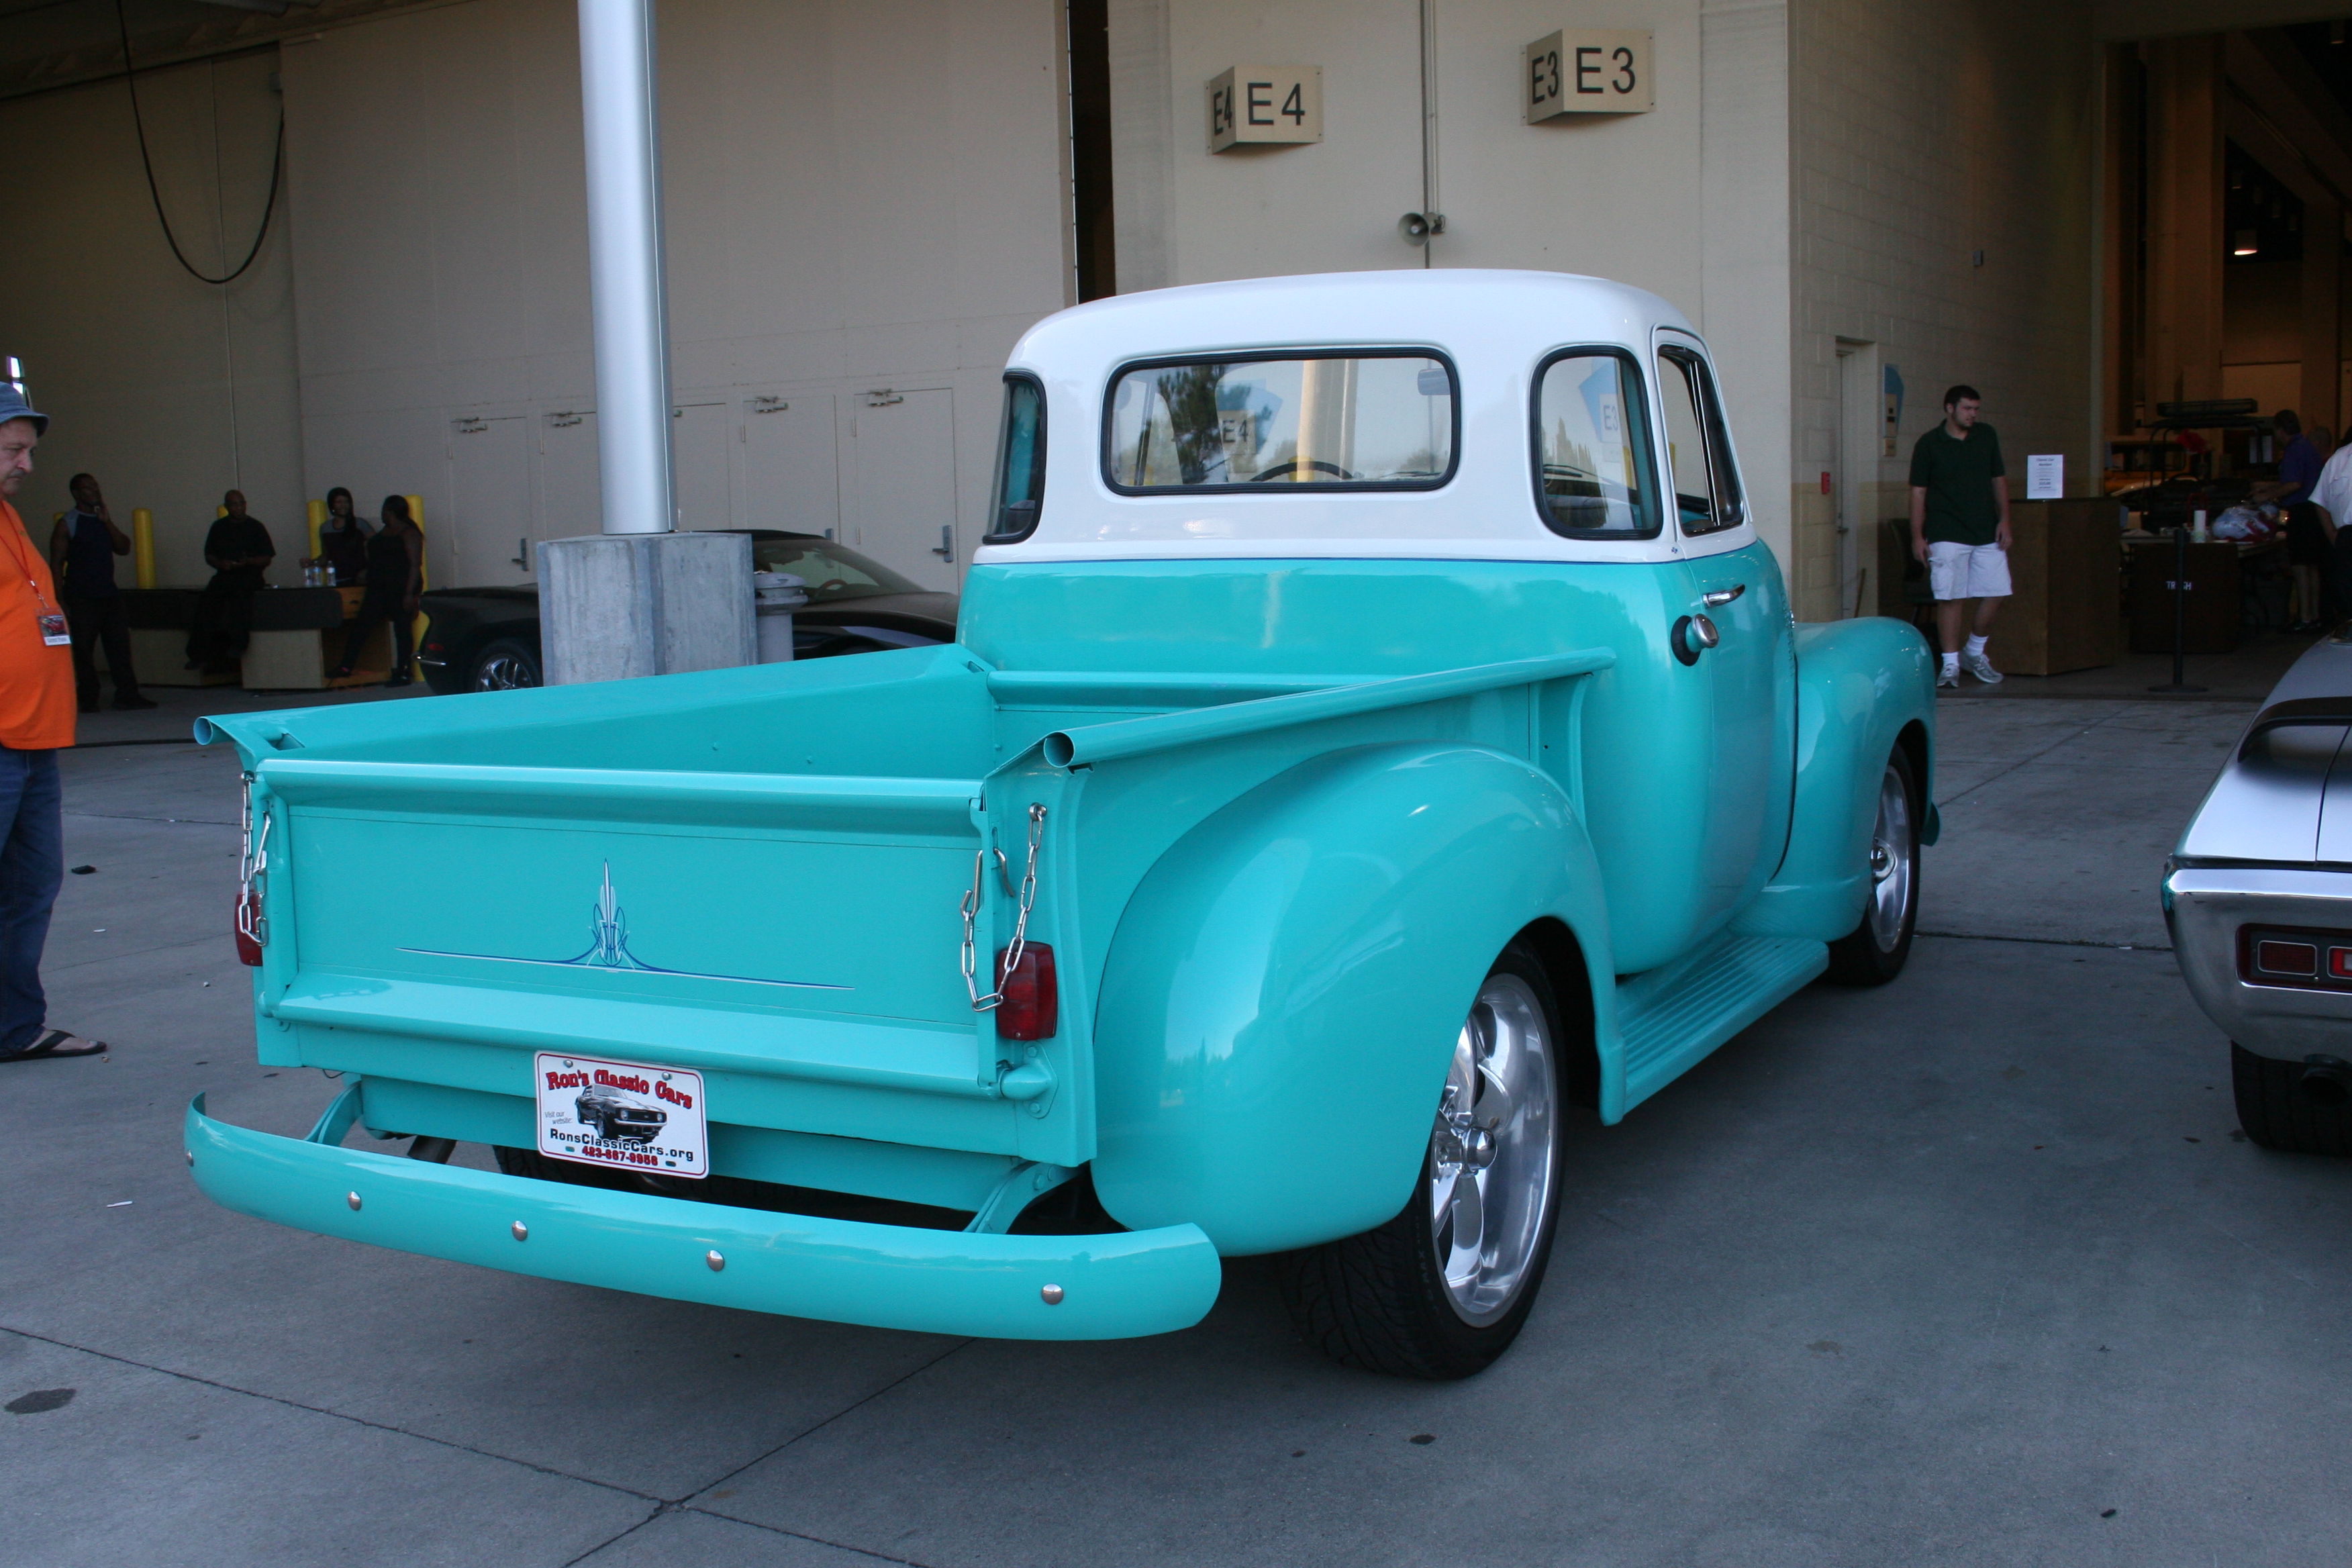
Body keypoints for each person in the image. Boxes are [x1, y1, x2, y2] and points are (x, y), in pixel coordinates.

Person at [0, 383, 105, 1063]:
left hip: (33, 743)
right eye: (13, 451)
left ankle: (13, 1027)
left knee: (32, 884)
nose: (27, 466)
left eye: (28, 451)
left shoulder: (9, 520)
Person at [1908, 384, 2011, 687]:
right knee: (1951, 597)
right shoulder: (1929, 443)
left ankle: (1974, 652)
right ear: (1950, 408)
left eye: (1976, 409)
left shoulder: (1986, 436)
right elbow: (1918, 491)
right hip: (1946, 529)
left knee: (1997, 590)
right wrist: (1917, 535)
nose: (1973, 414)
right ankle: (1951, 663)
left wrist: (2005, 519)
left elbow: (1999, 479)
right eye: (1967, 408)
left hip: (1985, 528)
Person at [47, 473, 154, 711]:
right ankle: (88, 698)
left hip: (109, 594)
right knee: (84, 649)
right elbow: (55, 562)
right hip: (81, 596)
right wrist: (59, 599)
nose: (95, 490)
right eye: (88, 487)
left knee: (120, 647)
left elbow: (124, 548)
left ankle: (127, 695)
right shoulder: (68, 523)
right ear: (76, 494)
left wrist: (107, 522)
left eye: (96, 485)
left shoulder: (103, 519)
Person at [330, 495, 424, 687]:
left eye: (383, 510)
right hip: (377, 588)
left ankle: (403, 671)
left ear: (389, 511)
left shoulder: (408, 534)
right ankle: (346, 666)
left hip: (400, 588)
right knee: (361, 627)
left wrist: (409, 594)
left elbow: (415, 565)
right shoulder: (384, 533)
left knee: (402, 630)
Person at [184, 489, 275, 670]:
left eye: (242, 503)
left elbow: (267, 557)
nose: (239, 508)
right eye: (235, 504)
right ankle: (199, 654)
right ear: (227, 507)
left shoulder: (256, 527)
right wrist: (220, 564)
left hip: (250, 575)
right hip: (225, 575)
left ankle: (238, 645)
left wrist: (248, 562)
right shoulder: (218, 528)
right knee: (206, 605)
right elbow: (209, 555)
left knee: (240, 600)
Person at [2267, 411, 2334, 632]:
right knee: (2312, 565)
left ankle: (2304, 616)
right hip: (2315, 511)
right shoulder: (2308, 447)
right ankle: (2313, 615)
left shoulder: (2294, 450)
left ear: (2280, 430)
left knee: (2300, 566)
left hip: (2301, 511)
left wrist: (2266, 495)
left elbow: (2294, 483)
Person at [316, 486, 370, 585]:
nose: (343, 505)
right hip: (336, 581)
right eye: (339, 502)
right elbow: (326, 555)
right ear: (332, 505)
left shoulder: (360, 524)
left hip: (359, 580)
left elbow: (378, 547)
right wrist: (312, 563)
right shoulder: (325, 528)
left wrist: (368, 570)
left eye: (346, 502)